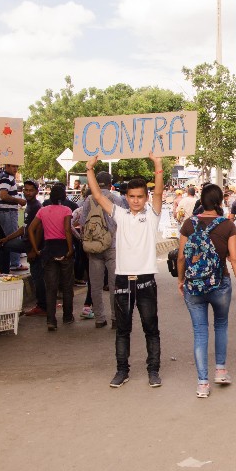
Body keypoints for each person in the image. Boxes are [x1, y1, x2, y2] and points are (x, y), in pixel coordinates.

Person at [86, 153, 164, 388]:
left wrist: (158, 164)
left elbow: (159, 193)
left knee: (151, 328)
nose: (136, 201)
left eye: (140, 196)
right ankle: (122, 371)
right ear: (126, 197)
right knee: (123, 330)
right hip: (122, 281)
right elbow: (98, 195)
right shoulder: (119, 214)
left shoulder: (152, 216)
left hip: (146, 280)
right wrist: (90, 168)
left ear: (146, 197)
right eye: (132, 196)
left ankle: (153, 371)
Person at [177, 184, 236, 397]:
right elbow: (234, 258)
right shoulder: (227, 225)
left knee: (200, 331)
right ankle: (220, 371)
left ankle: (202, 384)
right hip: (220, 283)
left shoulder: (189, 224)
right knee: (221, 325)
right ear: (220, 201)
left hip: (193, 284)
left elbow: (181, 257)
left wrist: (181, 280)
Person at [78, 171, 128, 329]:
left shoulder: (88, 200)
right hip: (113, 246)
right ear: (110, 183)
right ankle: (115, 318)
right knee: (115, 285)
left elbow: (82, 224)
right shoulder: (116, 199)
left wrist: (85, 243)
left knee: (95, 285)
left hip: (94, 247)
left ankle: (100, 318)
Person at [28, 183, 75, 332]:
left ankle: (51, 320)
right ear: (63, 196)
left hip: (48, 249)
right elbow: (67, 230)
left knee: (51, 287)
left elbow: (31, 229)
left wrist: (36, 248)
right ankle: (67, 316)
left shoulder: (43, 210)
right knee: (67, 285)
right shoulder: (66, 210)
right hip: (63, 248)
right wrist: (70, 248)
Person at [0, 179, 46, 316]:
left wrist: (33, 250)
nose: (28, 192)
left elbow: (38, 230)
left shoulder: (36, 206)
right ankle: (4, 275)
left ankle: (42, 306)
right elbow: (24, 228)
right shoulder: (29, 206)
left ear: (36, 191)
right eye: (26, 190)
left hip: (32, 246)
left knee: (37, 276)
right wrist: (7, 238)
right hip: (26, 243)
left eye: (31, 190)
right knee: (4, 245)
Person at [0, 163, 27, 271]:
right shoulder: (6, 177)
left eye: (16, 166)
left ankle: (13, 262)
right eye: (13, 166)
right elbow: (3, 195)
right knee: (13, 237)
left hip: (7, 211)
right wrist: (19, 200)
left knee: (11, 237)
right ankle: (15, 263)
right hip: (7, 211)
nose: (15, 169)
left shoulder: (4, 176)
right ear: (7, 166)